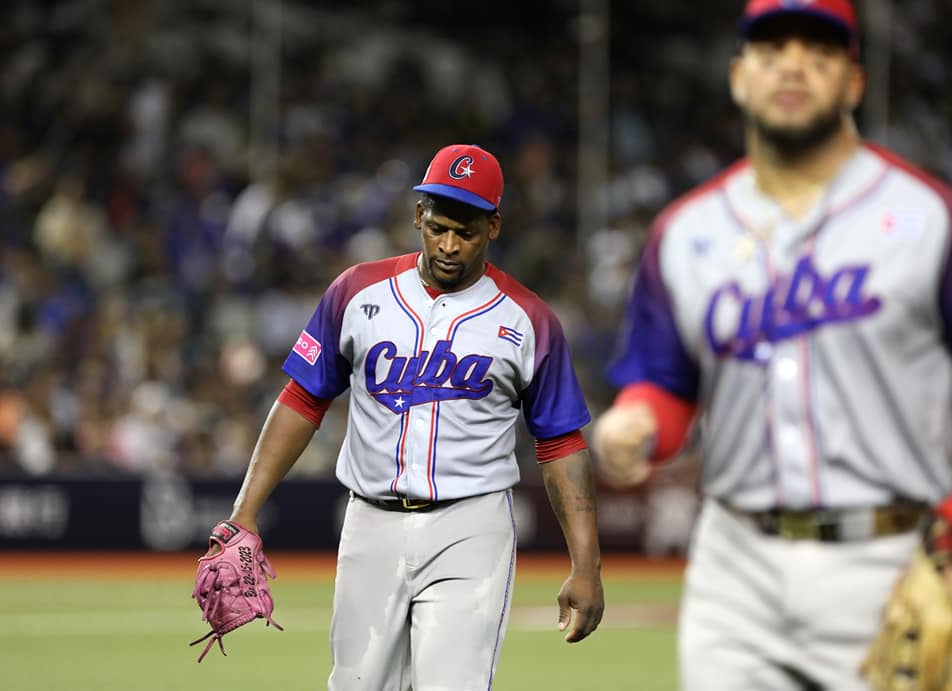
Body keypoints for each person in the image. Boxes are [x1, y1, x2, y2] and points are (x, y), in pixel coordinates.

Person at [593, 1, 952, 689]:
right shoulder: (686, 232)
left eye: (819, 53)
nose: (793, 66)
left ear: (854, 82)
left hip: (891, 557)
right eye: (771, 49)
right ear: (738, 76)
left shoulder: (928, 218)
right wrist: (639, 420)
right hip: (734, 566)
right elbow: (666, 379)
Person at [218, 143, 604, 689]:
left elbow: (561, 442)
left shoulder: (529, 319)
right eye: (438, 227)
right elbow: (303, 399)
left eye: (465, 233)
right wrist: (244, 511)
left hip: (471, 527)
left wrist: (586, 564)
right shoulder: (356, 291)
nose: (448, 245)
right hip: (369, 522)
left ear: (493, 227)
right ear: (418, 214)